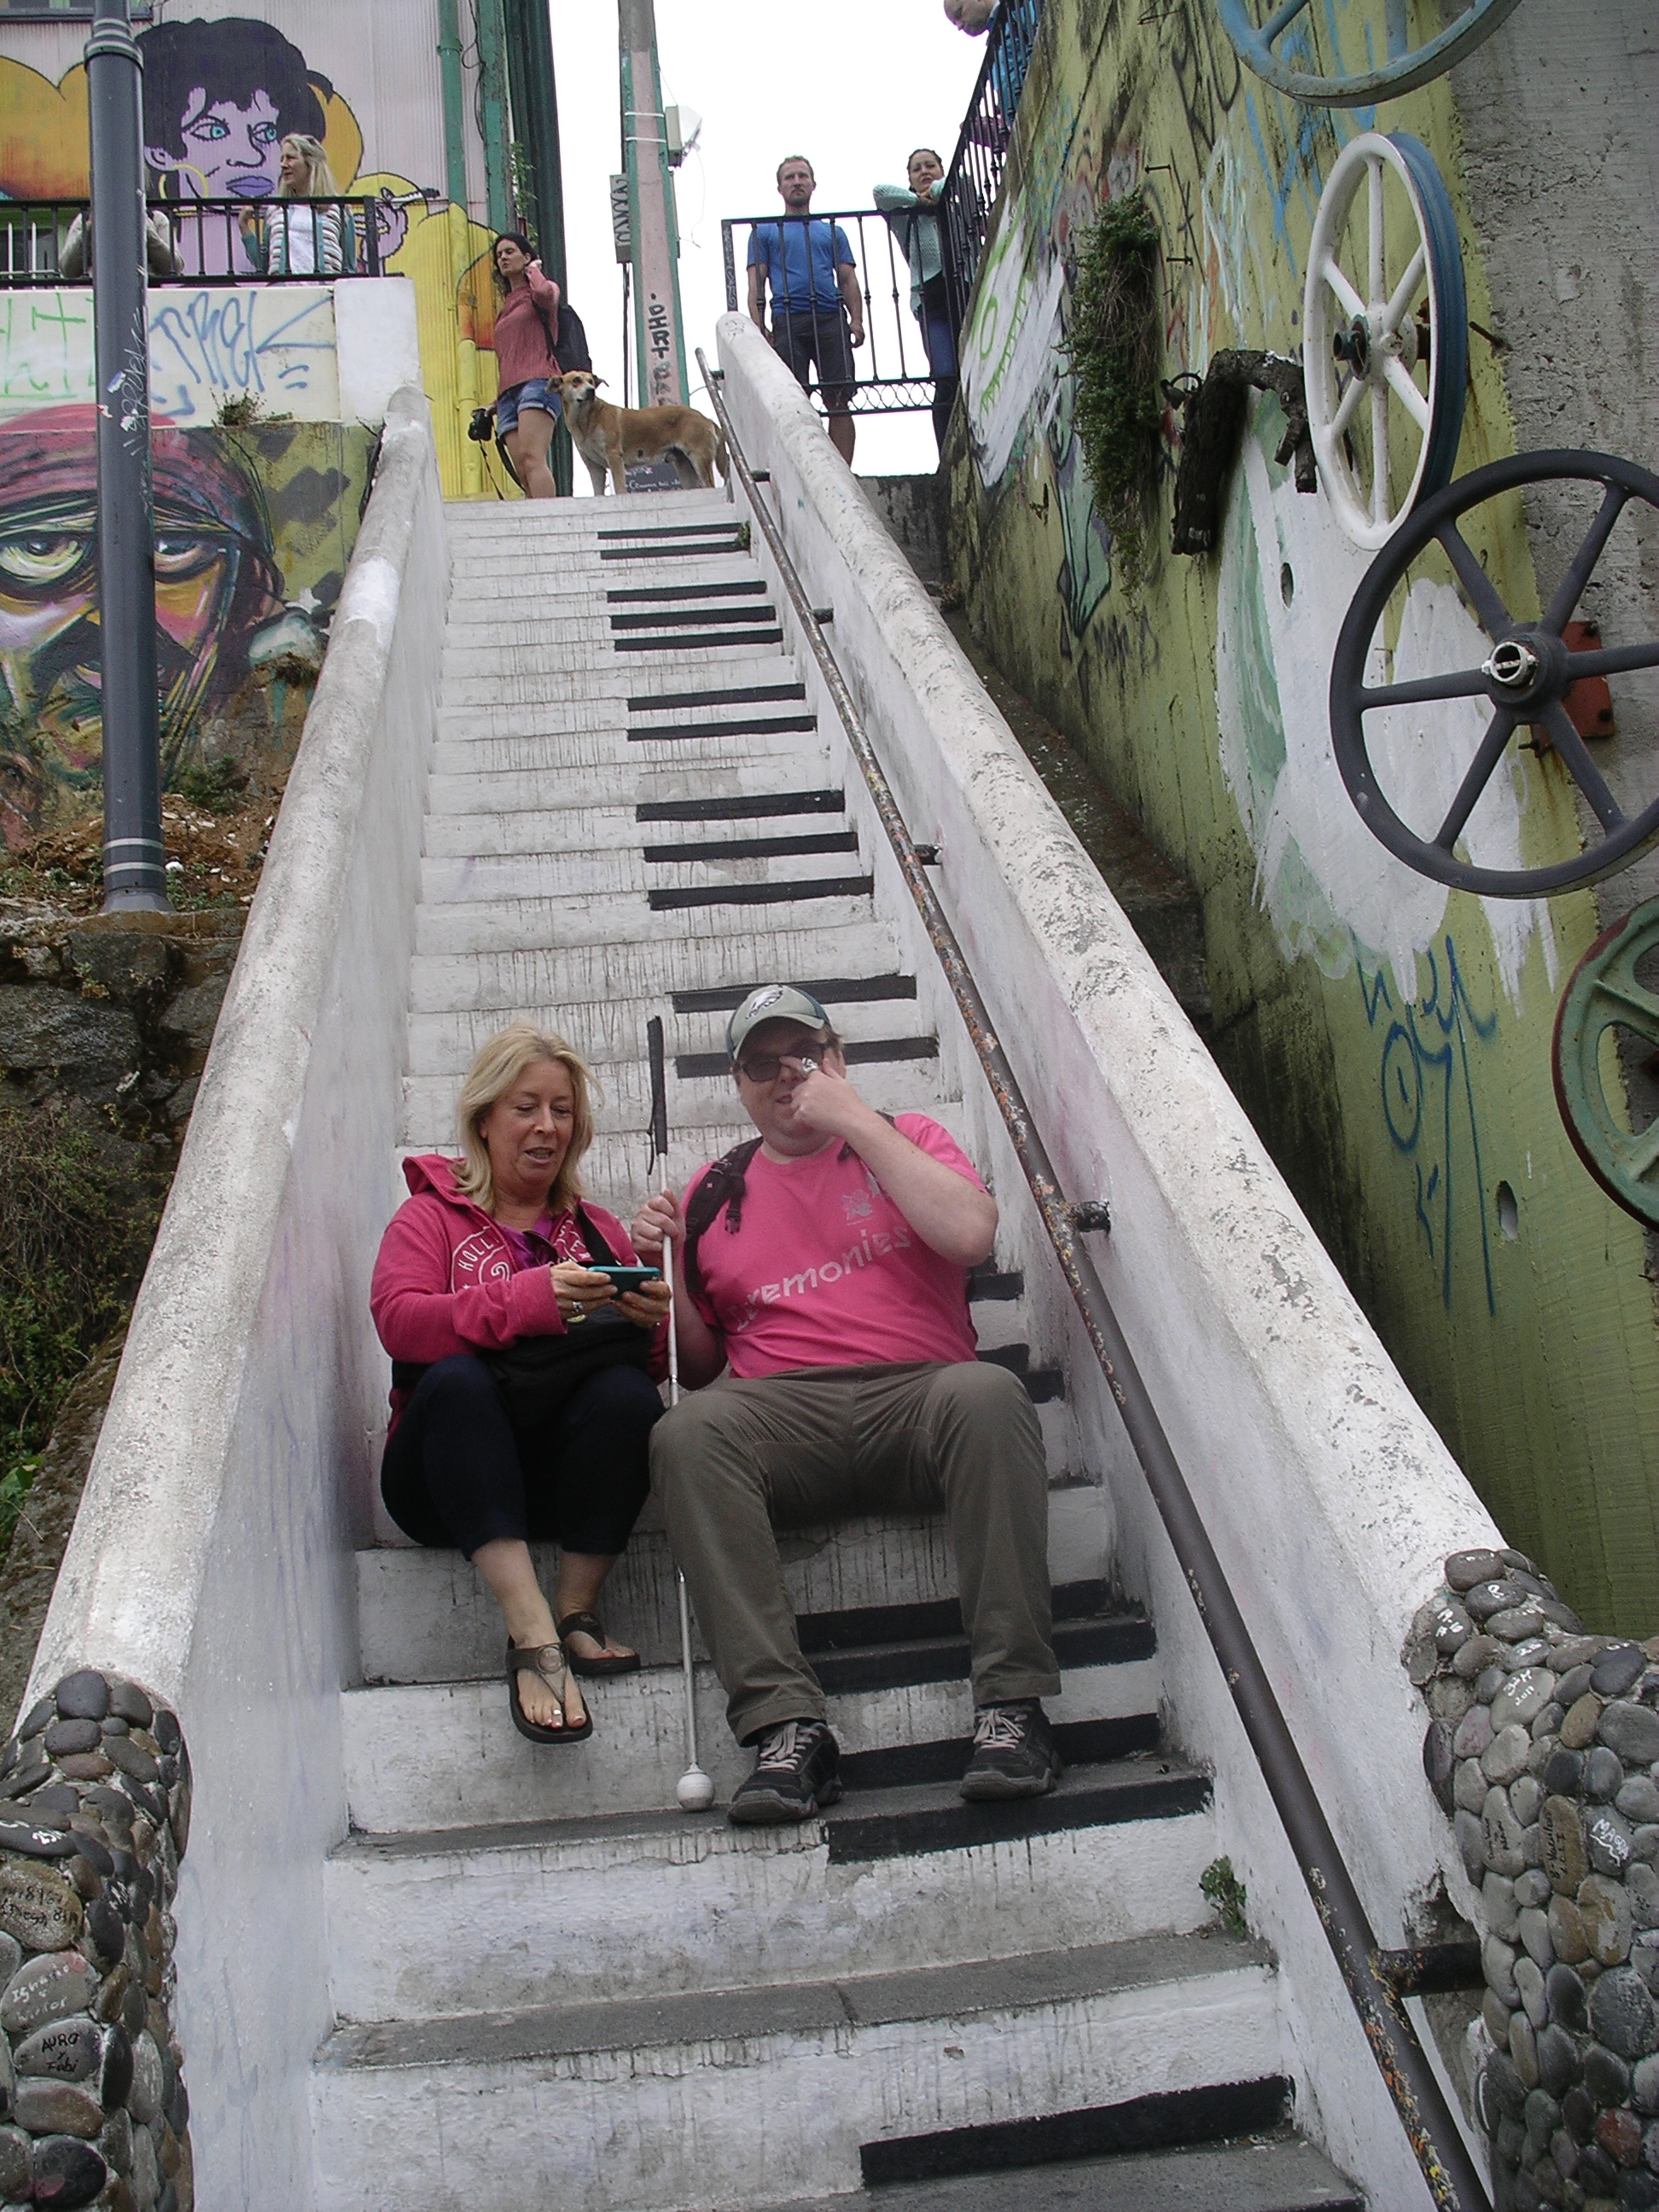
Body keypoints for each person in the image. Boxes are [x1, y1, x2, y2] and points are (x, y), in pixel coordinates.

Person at [632, 986, 1062, 1825]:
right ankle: (787, 1728)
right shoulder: (712, 1193)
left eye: (806, 1054)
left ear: (838, 1056)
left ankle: (1013, 1710)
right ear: (739, 1083)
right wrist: (666, 1273)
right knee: (686, 1431)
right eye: (764, 1063)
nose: (786, 1076)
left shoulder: (909, 1139)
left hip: (921, 1394)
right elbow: (700, 1362)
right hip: (784, 1415)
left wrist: (854, 1120)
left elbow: (971, 1237)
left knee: (991, 1394)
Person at [371, 1023, 672, 1743]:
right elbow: (399, 1323)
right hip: (447, 1482)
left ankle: (576, 1612)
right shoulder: (428, 1218)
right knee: (457, 1382)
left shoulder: (597, 1229)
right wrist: (531, 1300)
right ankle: (530, 1631)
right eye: (525, 1108)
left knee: (632, 1399)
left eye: (562, 1110)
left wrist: (652, 1314)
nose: (547, 1126)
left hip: (563, 1487)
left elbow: (651, 1371)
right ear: (484, 1120)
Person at [746, 157, 864, 467]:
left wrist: (857, 320)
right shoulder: (765, 232)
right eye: (789, 177)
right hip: (788, 319)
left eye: (802, 176)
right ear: (780, 187)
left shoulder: (833, 232)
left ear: (813, 184)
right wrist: (759, 327)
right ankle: (803, 470)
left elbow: (848, 278)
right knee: (794, 403)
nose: (796, 181)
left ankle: (842, 473)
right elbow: (755, 283)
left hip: (829, 317)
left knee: (838, 400)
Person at [874, 148, 961, 457]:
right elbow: (880, 193)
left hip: (965, 286)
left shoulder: (954, 200)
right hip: (931, 299)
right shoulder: (905, 215)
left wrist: (937, 192)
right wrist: (920, 200)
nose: (924, 172)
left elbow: (952, 181)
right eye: (917, 169)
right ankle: (948, 455)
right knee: (945, 375)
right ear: (909, 179)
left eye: (930, 166)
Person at [488, 233, 564, 500]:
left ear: (527, 256)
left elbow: (546, 293)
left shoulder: (540, 293)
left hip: (538, 382)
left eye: (510, 251)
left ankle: (550, 523)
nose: (504, 258)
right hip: (508, 395)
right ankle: (537, 526)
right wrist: (494, 403)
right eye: (499, 255)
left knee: (533, 458)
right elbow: (509, 355)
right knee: (522, 469)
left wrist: (534, 270)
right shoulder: (506, 306)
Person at [240, 134, 353, 277]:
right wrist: (244, 226)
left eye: (291, 158)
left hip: (325, 295)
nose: (283, 164)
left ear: (310, 162)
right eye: (282, 159)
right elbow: (264, 265)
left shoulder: (338, 209)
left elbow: (349, 268)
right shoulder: (276, 210)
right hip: (285, 295)